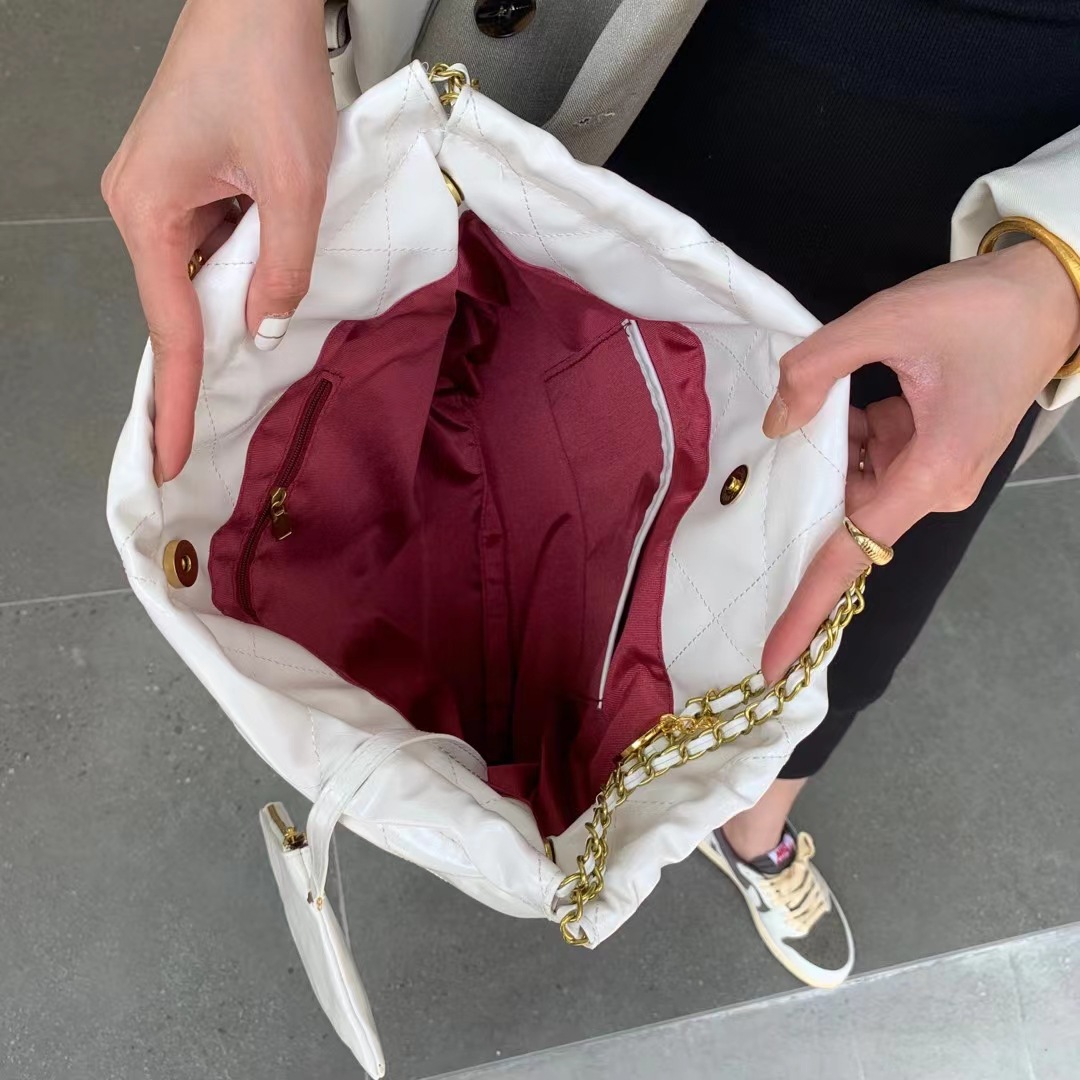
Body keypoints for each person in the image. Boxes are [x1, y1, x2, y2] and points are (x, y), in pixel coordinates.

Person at [102, 0, 1080, 990]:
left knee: (848, 629)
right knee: (800, 617)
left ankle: (753, 826)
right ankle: (747, 819)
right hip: (606, 68)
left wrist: (1061, 274)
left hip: (990, 222)